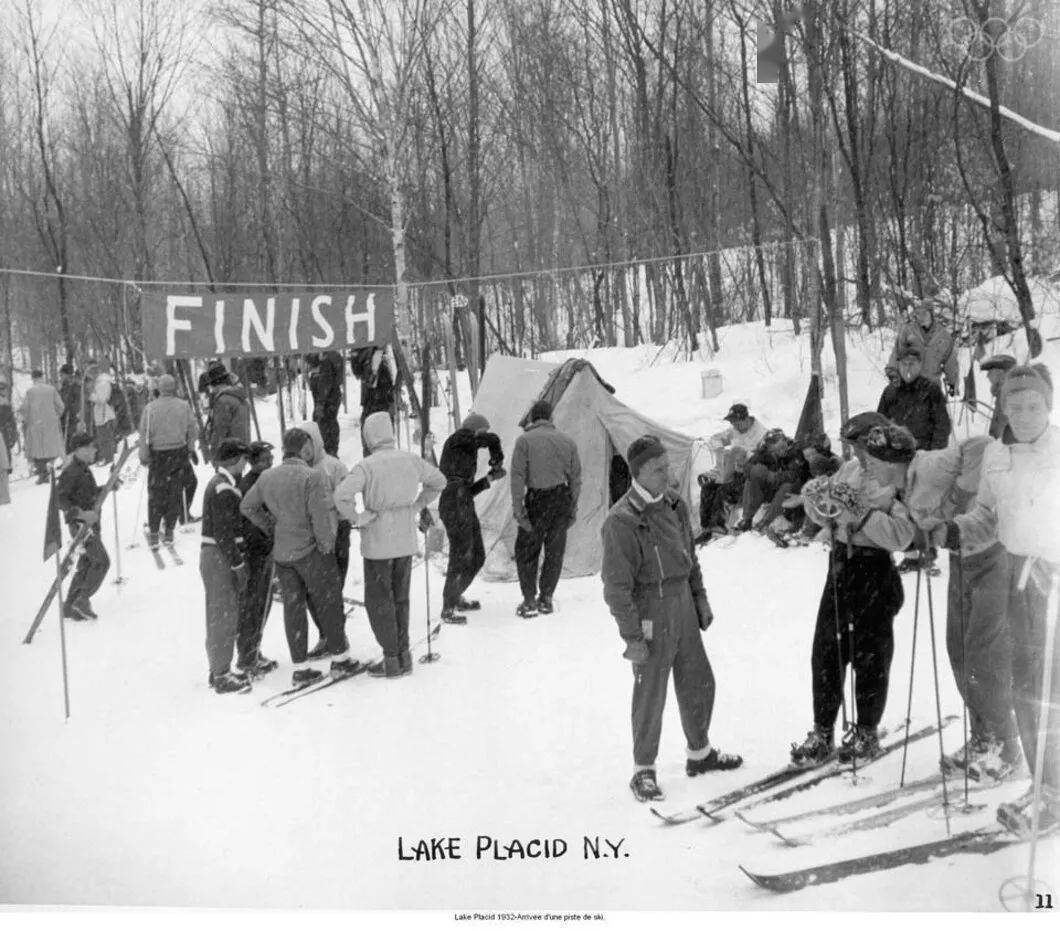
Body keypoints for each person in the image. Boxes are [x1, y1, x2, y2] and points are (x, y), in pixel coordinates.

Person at [928, 364, 1060, 835]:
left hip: (1055, 585)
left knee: (1053, 692)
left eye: (1033, 406)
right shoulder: (997, 456)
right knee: (1026, 687)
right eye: (1014, 406)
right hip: (1017, 582)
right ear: (1002, 408)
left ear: (1048, 405)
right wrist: (951, 530)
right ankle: (1044, 784)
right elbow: (985, 514)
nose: (1024, 415)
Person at [602, 435, 742, 802]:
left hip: (682, 601)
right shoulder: (621, 520)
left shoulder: (676, 504)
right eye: (660, 469)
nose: (669, 474)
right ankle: (643, 770)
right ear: (640, 473)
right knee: (651, 691)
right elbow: (616, 588)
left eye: (667, 466)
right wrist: (632, 635)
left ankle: (700, 754)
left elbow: (690, 556)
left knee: (698, 680)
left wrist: (700, 597)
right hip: (651, 607)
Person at [792, 420, 916, 766]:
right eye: (852, 446)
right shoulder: (848, 469)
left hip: (873, 566)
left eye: (862, 447)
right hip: (841, 564)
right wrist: (815, 500)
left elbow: (901, 536)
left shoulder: (894, 478)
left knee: (871, 655)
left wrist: (859, 514)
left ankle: (866, 732)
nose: (858, 455)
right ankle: (822, 730)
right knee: (827, 649)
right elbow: (822, 513)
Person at [904, 435, 1020, 779]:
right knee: (960, 651)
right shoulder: (906, 480)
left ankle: (1008, 742)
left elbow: (980, 451)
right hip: (961, 559)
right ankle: (983, 735)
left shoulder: (939, 463)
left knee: (983, 653)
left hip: (991, 558)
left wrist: (955, 503)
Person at [240, 427, 355, 686]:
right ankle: (340, 659)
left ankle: (301, 668)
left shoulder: (267, 477)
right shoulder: (311, 476)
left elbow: (247, 506)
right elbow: (320, 516)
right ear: (304, 449)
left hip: (284, 555)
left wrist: (271, 527)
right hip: (312, 551)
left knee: (294, 609)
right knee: (329, 603)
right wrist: (326, 544)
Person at [334, 412, 446, 677]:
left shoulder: (367, 466)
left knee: (379, 600)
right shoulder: (410, 460)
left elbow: (342, 496)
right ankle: (403, 654)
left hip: (377, 541)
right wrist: (416, 504)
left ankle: (391, 658)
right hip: (405, 539)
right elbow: (439, 481)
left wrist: (358, 518)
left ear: (369, 435)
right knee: (401, 599)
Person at [510, 400, 581, 617]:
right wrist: (572, 506)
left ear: (532, 418)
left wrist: (518, 508)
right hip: (560, 499)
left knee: (527, 551)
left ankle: (529, 599)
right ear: (551, 418)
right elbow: (576, 478)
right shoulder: (567, 441)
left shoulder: (524, 441)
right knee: (554, 552)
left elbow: (517, 477)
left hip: (536, 500)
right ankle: (547, 597)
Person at [437, 412, 505, 623]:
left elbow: (467, 489)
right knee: (460, 556)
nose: (482, 438)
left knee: (477, 557)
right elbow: (492, 439)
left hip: (462, 502)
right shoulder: (460, 438)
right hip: (456, 504)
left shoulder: (464, 450)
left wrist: (489, 478)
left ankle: (455, 596)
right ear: (476, 430)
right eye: (481, 432)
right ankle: (448, 607)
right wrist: (496, 457)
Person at [200, 439, 254, 694]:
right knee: (223, 614)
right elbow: (224, 533)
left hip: (216, 554)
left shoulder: (223, 485)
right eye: (243, 459)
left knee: (220, 612)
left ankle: (219, 667)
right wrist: (238, 563)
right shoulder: (223, 488)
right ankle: (221, 673)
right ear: (234, 460)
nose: (245, 464)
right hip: (219, 555)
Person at [298, 420, 353, 660]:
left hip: (337, 532)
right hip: (311, 536)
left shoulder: (333, 467)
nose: (305, 449)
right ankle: (327, 634)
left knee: (332, 589)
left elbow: (347, 499)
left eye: (308, 443)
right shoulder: (299, 470)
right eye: (301, 445)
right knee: (314, 590)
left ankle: (335, 636)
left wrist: (328, 507)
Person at [138, 374, 198, 548]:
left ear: (159, 388)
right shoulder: (184, 406)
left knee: (156, 493)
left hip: (158, 455)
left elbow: (144, 434)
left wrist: (144, 455)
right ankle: (170, 530)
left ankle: (155, 532)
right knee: (175, 492)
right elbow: (192, 429)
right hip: (179, 453)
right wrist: (191, 448)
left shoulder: (150, 408)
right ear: (174, 388)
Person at [56, 432, 111, 620]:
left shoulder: (84, 470)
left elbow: (86, 494)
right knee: (102, 561)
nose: (95, 449)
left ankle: (70, 606)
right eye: (91, 446)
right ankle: (82, 600)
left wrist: (104, 489)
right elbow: (60, 499)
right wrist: (80, 514)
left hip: (90, 525)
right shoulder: (71, 472)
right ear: (81, 449)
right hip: (81, 527)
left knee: (87, 563)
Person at [235, 440, 279, 678]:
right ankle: (247, 655)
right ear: (253, 462)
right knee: (254, 605)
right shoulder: (251, 485)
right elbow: (250, 522)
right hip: (256, 552)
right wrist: (265, 542)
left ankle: (254, 649)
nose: (269, 463)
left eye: (271, 459)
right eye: (264, 460)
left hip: (264, 551)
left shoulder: (265, 481)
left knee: (263, 603)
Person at [697, 403, 768, 541]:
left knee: (723, 491)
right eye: (732, 423)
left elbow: (766, 461)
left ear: (745, 419)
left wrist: (746, 455)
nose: (734, 426)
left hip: (750, 477)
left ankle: (718, 528)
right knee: (708, 488)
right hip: (734, 472)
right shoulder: (735, 430)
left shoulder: (761, 434)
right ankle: (706, 528)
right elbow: (715, 439)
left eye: (736, 422)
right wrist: (719, 449)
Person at [735, 428, 809, 533]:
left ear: (785, 441)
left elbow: (793, 475)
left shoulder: (795, 451)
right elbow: (748, 466)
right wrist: (756, 470)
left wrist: (773, 476)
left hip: (793, 490)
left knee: (787, 486)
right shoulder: (764, 451)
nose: (781, 451)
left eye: (783, 448)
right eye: (776, 450)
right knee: (751, 479)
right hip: (773, 487)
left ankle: (766, 522)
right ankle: (747, 519)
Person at [877, 345, 950, 451]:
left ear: (920, 365)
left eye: (911, 364)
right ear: (898, 365)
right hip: (895, 456)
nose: (907, 368)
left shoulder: (931, 390)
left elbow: (942, 427)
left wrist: (934, 455)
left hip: (924, 454)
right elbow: (880, 423)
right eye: (904, 364)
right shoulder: (890, 391)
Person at [885, 297, 959, 394]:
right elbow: (897, 353)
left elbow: (950, 361)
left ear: (931, 314)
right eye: (918, 313)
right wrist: (892, 372)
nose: (921, 317)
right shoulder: (908, 331)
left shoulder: (944, 336)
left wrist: (952, 382)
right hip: (910, 386)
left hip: (932, 388)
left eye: (924, 313)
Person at [350, 345, 398, 456]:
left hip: (386, 402)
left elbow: (397, 374)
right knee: (370, 443)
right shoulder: (364, 347)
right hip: (371, 402)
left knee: (386, 444)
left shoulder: (389, 349)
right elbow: (357, 370)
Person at [20, 369, 64, 484]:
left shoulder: (30, 392)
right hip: (51, 424)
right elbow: (61, 406)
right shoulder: (51, 389)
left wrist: (26, 420)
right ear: (42, 377)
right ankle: (51, 467)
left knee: (37, 450)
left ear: (33, 378)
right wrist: (55, 417)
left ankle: (42, 472)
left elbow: (24, 409)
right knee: (51, 447)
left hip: (35, 425)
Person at [203, 361, 251, 459]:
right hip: (241, 446)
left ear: (214, 384)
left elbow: (220, 429)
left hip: (228, 451)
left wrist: (214, 451)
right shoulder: (238, 395)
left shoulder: (223, 400)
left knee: (226, 475)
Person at [306, 351, 345, 456]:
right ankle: (330, 451)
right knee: (328, 423)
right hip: (329, 398)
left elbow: (325, 383)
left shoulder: (326, 359)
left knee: (325, 425)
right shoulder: (330, 356)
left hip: (327, 399)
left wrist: (320, 403)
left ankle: (329, 452)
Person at [980, 353, 1017, 440]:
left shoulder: (1007, 394)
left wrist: (995, 440)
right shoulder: (1003, 391)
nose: (987, 376)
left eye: (990, 371)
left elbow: (1002, 423)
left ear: (1000, 373)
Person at [89, 358, 117, 466]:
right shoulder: (99, 383)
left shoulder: (103, 383)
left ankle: (108, 458)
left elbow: (102, 399)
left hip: (105, 414)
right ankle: (106, 457)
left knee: (105, 438)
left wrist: (91, 396)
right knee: (102, 437)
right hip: (101, 414)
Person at [57, 363, 82, 450]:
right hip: (64, 419)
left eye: (62, 374)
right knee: (64, 442)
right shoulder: (64, 387)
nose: (60, 377)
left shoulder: (74, 386)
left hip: (71, 420)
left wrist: (70, 409)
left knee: (70, 442)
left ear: (67, 375)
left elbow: (78, 403)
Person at [0, 375, 18, 464]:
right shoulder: (5, 403)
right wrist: (13, 437)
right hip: (4, 436)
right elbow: (11, 423)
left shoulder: (5, 402)